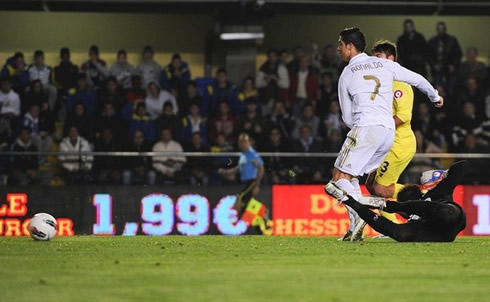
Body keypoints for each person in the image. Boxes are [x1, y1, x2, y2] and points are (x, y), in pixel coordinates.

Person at [331, 27, 443, 241]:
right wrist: (435, 97)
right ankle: (357, 223)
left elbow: (346, 118)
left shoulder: (347, 73)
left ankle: (359, 215)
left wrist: (358, 129)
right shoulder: (385, 65)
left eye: (340, 44)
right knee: (365, 181)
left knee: (339, 177)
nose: (338, 49)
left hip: (367, 128)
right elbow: (418, 79)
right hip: (388, 133)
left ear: (350, 46)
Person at [324, 161, 468, 242]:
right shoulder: (436, 195)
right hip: (444, 230)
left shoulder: (437, 192)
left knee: (397, 231)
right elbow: (463, 166)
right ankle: (375, 204)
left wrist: (442, 175)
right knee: (399, 233)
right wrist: (349, 201)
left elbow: (462, 166)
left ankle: (385, 205)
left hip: (448, 216)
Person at [363, 40, 417, 228]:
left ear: (391, 59)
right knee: (370, 183)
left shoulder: (399, 84)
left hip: (399, 144)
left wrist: (379, 126)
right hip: (386, 143)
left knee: (380, 188)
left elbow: (403, 116)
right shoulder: (382, 83)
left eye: (379, 58)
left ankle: (424, 198)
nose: (375, 62)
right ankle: (395, 221)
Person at [218, 133, 270, 233]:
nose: (242, 144)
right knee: (246, 206)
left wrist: (257, 184)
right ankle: (262, 217)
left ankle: (234, 224)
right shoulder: (244, 155)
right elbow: (238, 169)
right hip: (245, 182)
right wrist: (225, 172)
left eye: (244, 142)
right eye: (240, 142)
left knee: (239, 198)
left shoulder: (252, 154)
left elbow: (261, 168)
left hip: (251, 182)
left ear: (248, 142)